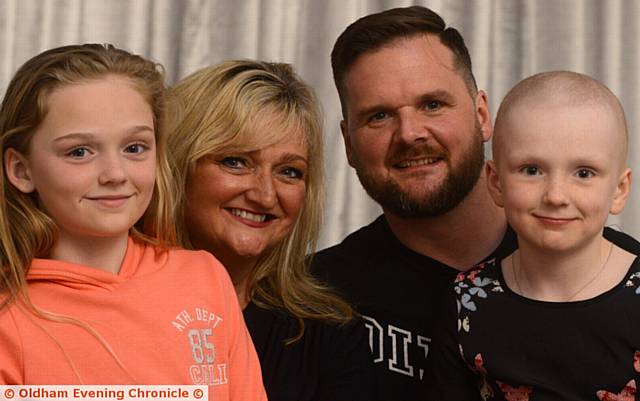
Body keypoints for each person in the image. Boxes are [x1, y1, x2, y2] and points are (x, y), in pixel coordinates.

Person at [0, 44, 267, 400]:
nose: (115, 174)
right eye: (80, 152)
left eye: (134, 148)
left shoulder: (205, 278)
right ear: (21, 169)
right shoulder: (8, 320)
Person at [310, 6, 517, 399]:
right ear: (349, 144)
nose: (409, 133)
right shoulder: (315, 301)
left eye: (432, 105)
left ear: (482, 115)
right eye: (379, 115)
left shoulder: (608, 274)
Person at [166, 59, 375, 401]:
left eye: (289, 172)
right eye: (236, 162)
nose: (264, 194)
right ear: (178, 165)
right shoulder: (112, 301)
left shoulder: (329, 333)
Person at [426, 70, 640, 399]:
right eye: (531, 170)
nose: (555, 195)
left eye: (584, 173)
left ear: (619, 190)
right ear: (496, 182)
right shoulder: (467, 298)